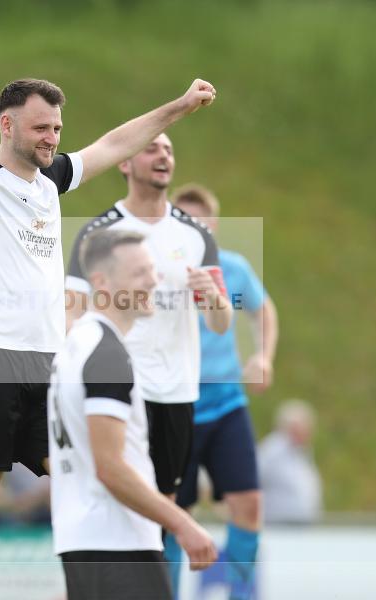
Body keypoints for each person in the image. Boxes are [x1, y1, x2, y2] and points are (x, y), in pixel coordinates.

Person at [0, 49, 217, 600]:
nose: (52, 139)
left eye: (58, 128)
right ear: (7, 124)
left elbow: (114, 144)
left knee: (85, 483)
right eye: (41, 127)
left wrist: (179, 108)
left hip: (48, 363)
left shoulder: (51, 182)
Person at [65, 133, 233, 574]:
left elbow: (221, 321)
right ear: (124, 163)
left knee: (166, 510)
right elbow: (71, 313)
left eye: (170, 150)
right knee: (118, 503)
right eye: (152, 148)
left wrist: (212, 299)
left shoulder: (196, 235)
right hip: (119, 390)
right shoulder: (99, 233)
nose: (163, 156)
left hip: (176, 391)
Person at [49, 229, 217, 600]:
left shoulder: (76, 345)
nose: (154, 280)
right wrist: (182, 523)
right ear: (101, 282)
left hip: (86, 538)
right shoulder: (107, 355)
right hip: (117, 541)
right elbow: (110, 466)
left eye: (153, 270)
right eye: (140, 272)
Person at [169, 184, 278, 599]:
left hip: (227, 404)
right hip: (174, 408)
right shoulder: (155, 271)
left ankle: (241, 594)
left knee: (249, 505)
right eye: (182, 220)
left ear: (213, 227)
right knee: (173, 515)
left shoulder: (233, 268)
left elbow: (263, 309)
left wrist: (263, 357)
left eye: (199, 222)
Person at [257, 400, 322, 525]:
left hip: (300, 526)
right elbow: (253, 479)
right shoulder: (272, 450)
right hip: (278, 526)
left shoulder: (302, 452)